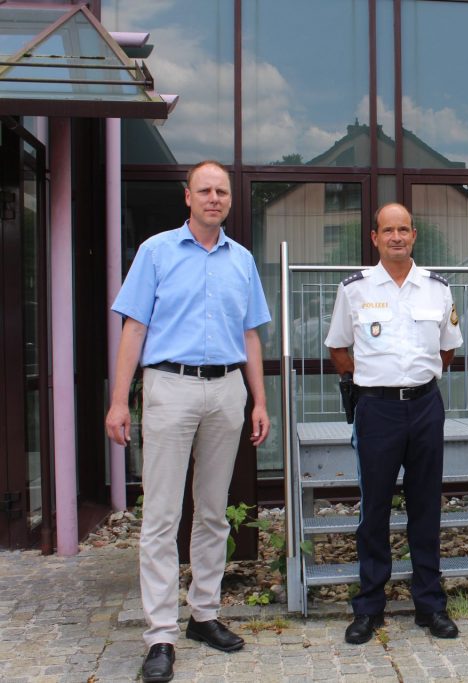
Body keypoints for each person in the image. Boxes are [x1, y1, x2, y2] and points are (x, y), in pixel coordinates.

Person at [105, 160, 272, 682]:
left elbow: (250, 336)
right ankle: (160, 635)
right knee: (159, 515)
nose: (214, 198)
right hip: (169, 386)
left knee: (213, 510)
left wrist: (259, 401)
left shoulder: (241, 260)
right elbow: (134, 329)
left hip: (227, 390)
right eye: (205, 190)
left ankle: (204, 614)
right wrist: (117, 401)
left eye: (222, 191)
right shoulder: (155, 252)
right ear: (188, 197)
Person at [325, 202, 463, 644]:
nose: (397, 237)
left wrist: (415, 380)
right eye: (389, 230)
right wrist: (370, 385)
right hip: (377, 410)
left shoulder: (437, 289)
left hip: (424, 407)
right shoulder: (354, 290)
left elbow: (447, 350)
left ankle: (430, 605)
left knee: (426, 507)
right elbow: (340, 350)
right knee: (375, 510)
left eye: (404, 229)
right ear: (375, 238)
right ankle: (369, 608)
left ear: (414, 235)